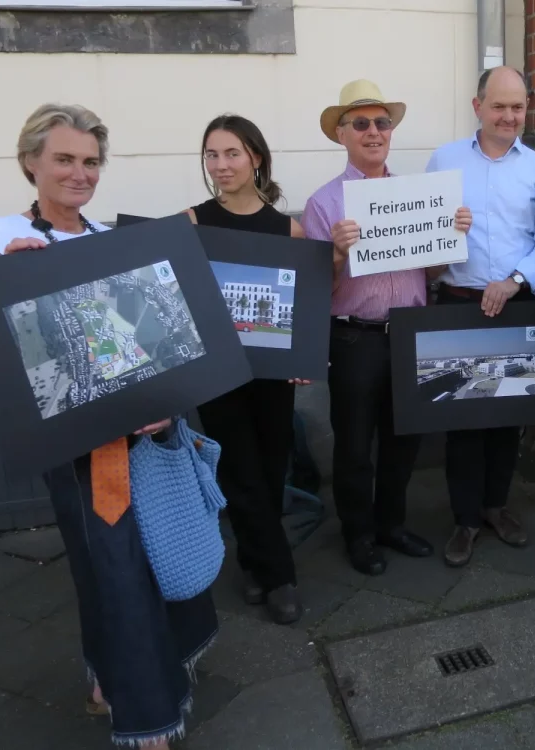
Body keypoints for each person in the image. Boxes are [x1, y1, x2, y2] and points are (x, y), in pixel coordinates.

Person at [0, 103, 215, 749]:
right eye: (65, 160)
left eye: (91, 162)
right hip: (82, 451)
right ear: (31, 163)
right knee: (117, 573)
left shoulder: (111, 239)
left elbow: (148, 340)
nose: (80, 173)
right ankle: (148, 720)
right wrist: (4, 283)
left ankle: (114, 680)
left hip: (144, 435)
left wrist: (167, 397)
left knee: (147, 561)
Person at [302, 80, 471, 575]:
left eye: (382, 122)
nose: (373, 132)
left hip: (409, 332)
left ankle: (391, 524)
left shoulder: (417, 196)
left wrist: (450, 240)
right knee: (354, 446)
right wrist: (336, 254)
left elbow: (432, 273)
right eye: (361, 123)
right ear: (341, 134)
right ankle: (359, 534)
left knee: (404, 439)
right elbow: (317, 291)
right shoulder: (323, 205)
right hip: (354, 337)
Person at [427, 66, 535, 567]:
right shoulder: (445, 159)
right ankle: (464, 520)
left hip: (515, 302)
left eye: (518, 107)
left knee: (507, 415)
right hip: (458, 302)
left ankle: (497, 507)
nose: (509, 116)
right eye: (499, 105)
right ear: (477, 105)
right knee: (461, 418)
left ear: (528, 108)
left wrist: (514, 281)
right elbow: (424, 228)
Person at [182, 114, 308, 625]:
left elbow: (303, 300)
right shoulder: (191, 221)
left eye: (231, 153)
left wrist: (301, 355)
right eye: (212, 155)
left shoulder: (288, 228)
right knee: (240, 470)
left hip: (272, 371)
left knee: (272, 468)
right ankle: (281, 576)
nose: (221, 165)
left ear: (255, 157)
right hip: (218, 372)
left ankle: (252, 565)